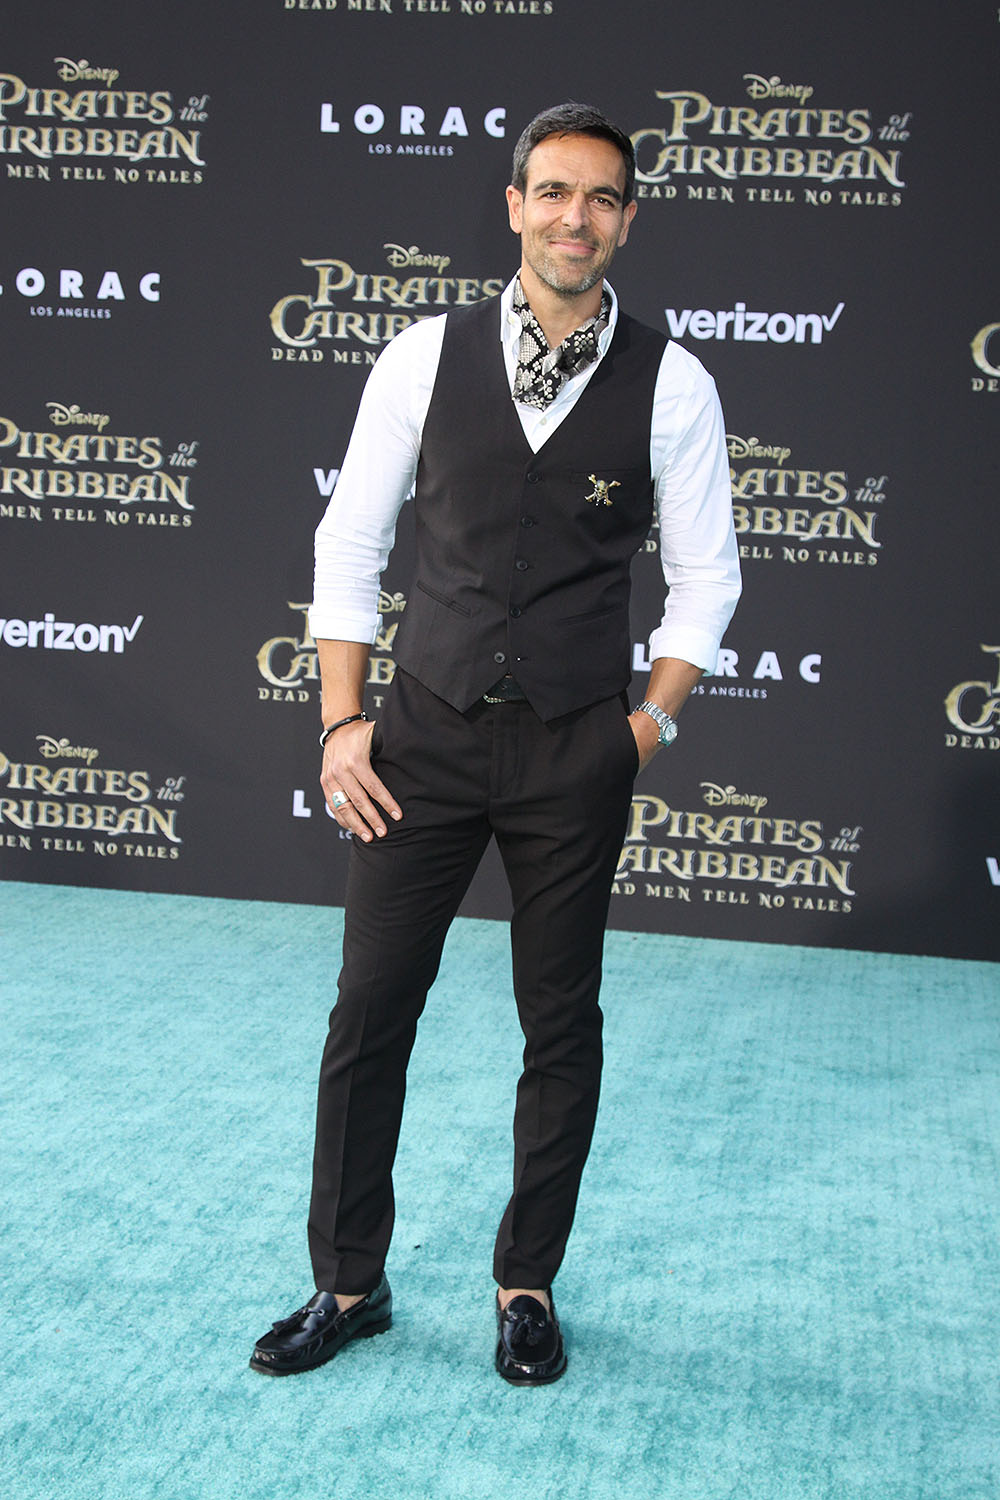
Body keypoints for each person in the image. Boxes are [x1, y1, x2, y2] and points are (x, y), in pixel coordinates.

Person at [250, 101, 741, 1386]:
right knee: (370, 1009)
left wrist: (644, 728)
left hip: (577, 750)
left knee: (559, 1023)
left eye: (602, 198)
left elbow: (708, 580)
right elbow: (350, 544)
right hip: (420, 738)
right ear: (516, 206)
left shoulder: (675, 383)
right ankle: (347, 1282)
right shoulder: (422, 356)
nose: (577, 217)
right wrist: (341, 722)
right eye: (554, 192)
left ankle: (527, 1283)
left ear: (625, 222)